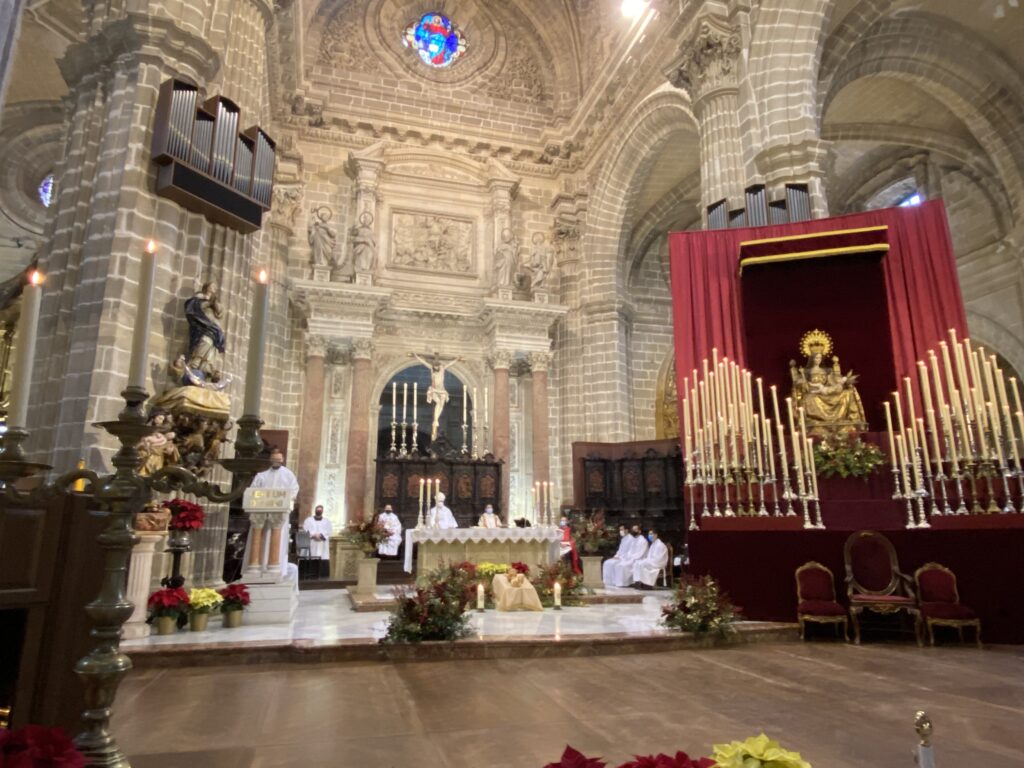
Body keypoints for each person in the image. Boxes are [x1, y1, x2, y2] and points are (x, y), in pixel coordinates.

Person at [250, 448, 300, 578]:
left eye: (278, 459)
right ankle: (256, 567)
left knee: (278, 538)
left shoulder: (288, 475)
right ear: (270, 460)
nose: (276, 461)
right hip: (261, 514)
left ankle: (275, 568)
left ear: (282, 459)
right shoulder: (262, 475)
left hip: (279, 514)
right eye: (274, 459)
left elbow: (294, 490)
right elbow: (253, 490)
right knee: (260, 538)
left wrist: (286, 499)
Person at [302, 505, 333, 578]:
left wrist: (321, 536)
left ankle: (322, 575)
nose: (319, 511)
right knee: (311, 556)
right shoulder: (308, 520)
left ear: (322, 511)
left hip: (322, 542)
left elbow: (329, 531)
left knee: (322, 556)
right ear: (315, 510)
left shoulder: (327, 521)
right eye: (318, 510)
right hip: (312, 541)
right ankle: (309, 574)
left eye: (320, 510)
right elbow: (306, 529)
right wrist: (313, 535)